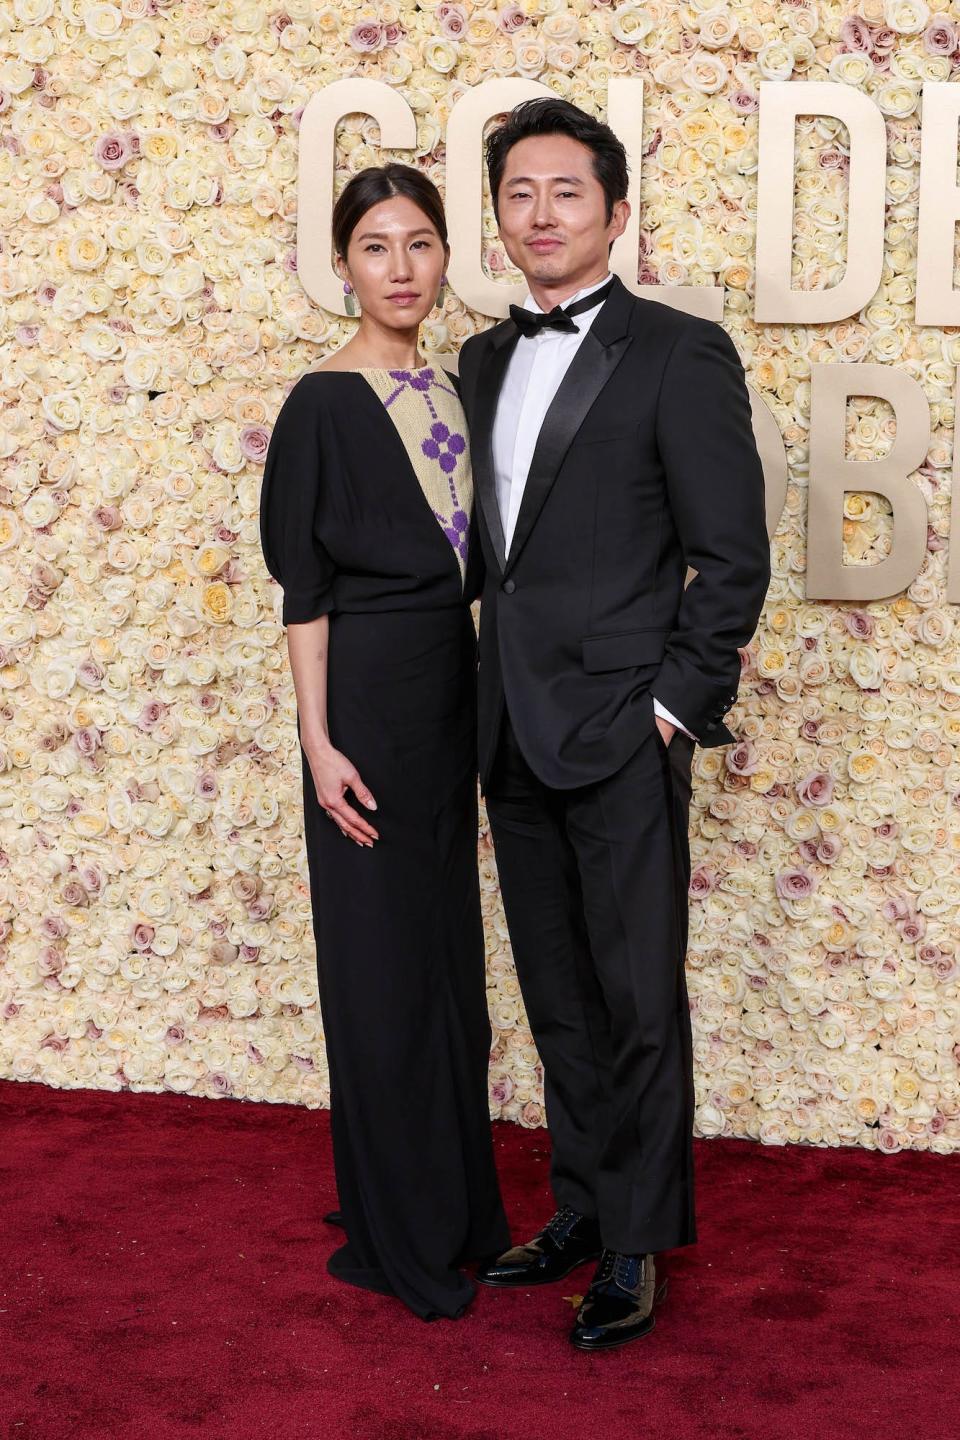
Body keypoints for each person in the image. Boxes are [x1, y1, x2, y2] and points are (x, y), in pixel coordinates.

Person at [456, 98, 771, 1350]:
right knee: (559, 994)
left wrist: (671, 711)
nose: (541, 214)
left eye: (566, 193)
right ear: (500, 216)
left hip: (624, 729)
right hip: (508, 726)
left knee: (638, 993)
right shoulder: (479, 360)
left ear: (615, 211)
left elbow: (732, 558)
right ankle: (583, 1205)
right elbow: (496, 557)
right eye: (520, 194)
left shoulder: (679, 351)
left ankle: (638, 1241)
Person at [258, 162, 510, 1322]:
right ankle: (400, 1230)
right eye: (375, 247)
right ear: (342, 264)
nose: (401, 269)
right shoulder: (321, 402)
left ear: (445, 255)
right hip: (363, 701)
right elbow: (302, 591)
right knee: (379, 964)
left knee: (445, 957)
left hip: (451, 694)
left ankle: (454, 1209)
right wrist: (318, 740)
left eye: (419, 244)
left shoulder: (463, 386)